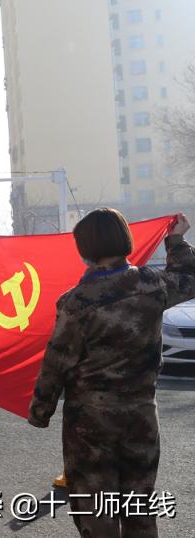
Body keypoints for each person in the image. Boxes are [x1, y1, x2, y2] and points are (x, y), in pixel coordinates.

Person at [29, 209, 195, 537]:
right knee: (139, 507)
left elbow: (56, 363)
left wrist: (40, 410)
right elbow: (189, 279)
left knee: (96, 512)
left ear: (84, 248)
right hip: (142, 416)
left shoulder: (75, 302)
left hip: (90, 425)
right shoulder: (152, 284)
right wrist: (176, 240)